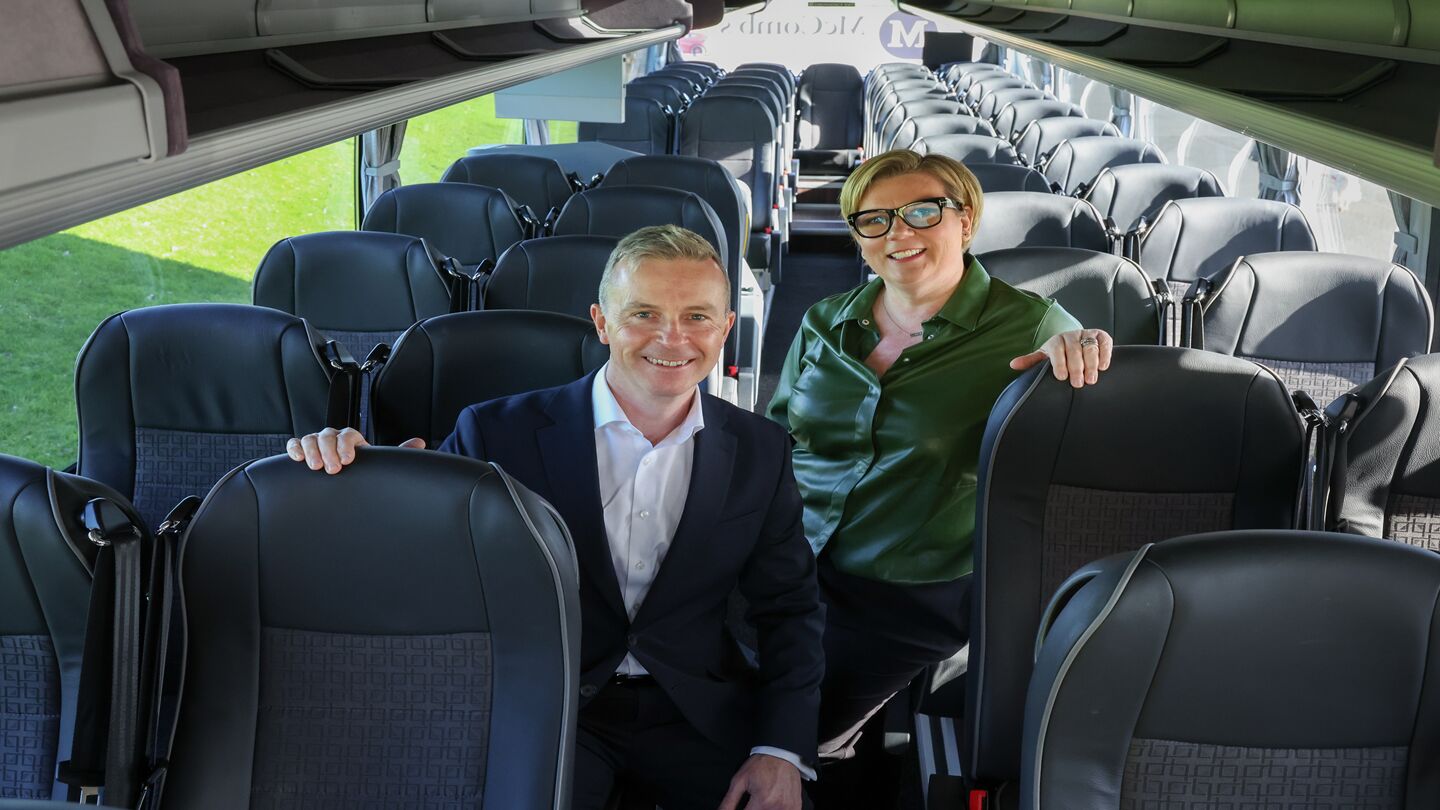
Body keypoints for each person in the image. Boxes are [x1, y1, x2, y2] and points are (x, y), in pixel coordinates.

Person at [288, 226, 824, 810]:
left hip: (696, 712)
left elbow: (789, 610)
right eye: (643, 313)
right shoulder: (495, 432)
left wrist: (780, 749)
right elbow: (411, 549)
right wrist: (351, 468)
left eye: (697, 317)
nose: (673, 338)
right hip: (550, 707)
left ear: (725, 329)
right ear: (600, 322)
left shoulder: (761, 450)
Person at [766, 150, 1112, 799]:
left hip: (910, 596)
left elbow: (1079, 465)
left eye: (923, 210)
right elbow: (776, 439)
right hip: (789, 566)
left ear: (966, 219)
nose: (899, 232)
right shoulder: (825, 321)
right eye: (874, 220)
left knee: (787, 730)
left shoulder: (1034, 326)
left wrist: (1085, 349)